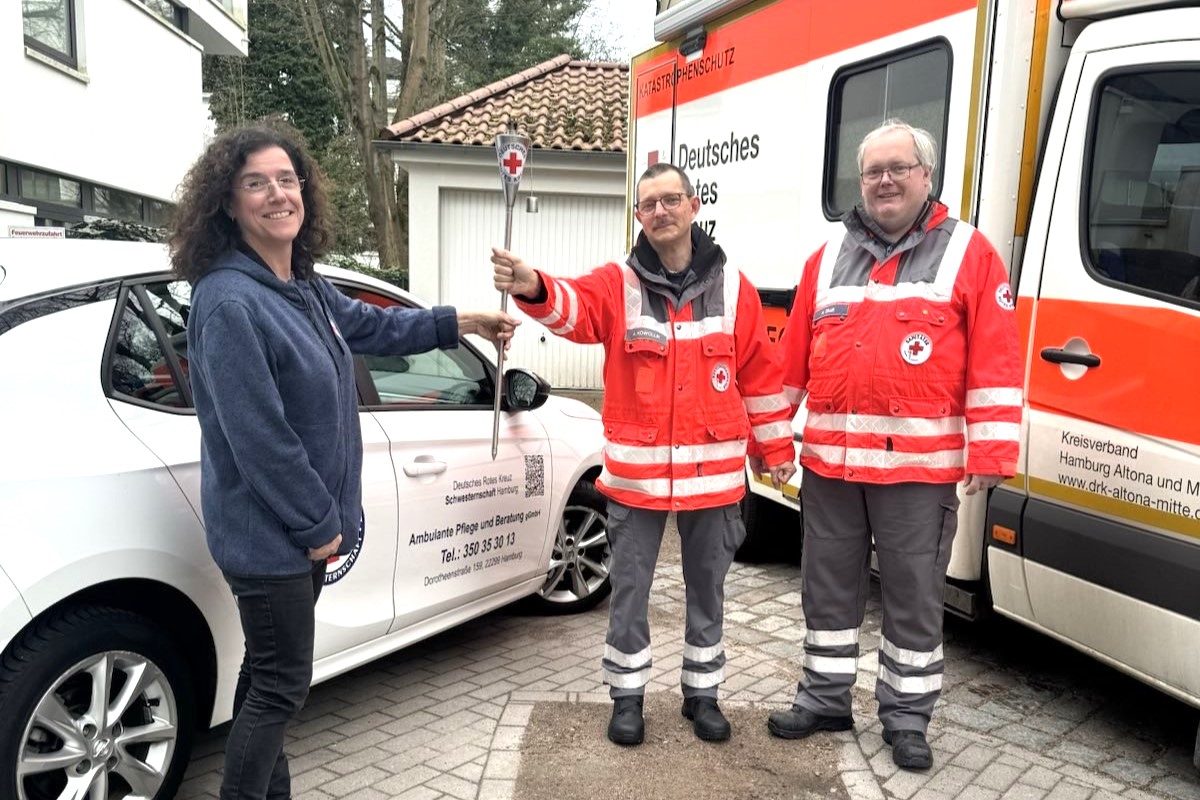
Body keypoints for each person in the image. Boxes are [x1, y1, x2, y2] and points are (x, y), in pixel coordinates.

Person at [169, 123, 518, 800]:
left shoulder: (299, 284)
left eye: (287, 179)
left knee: (266, 677)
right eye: (256, 183)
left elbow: (373, 326)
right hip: (271, 539)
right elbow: (260, 439)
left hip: (293, 537)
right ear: (228, 203)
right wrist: (317, 526)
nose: (278, 194)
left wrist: (463, 322)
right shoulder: (230, 301)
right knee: (280, 687)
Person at [491, 163, 796, 746]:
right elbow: (573, 309)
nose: (660, 211)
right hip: (636, 483)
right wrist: (533, 284)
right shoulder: (619, 283)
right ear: (638, 216)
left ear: (693, 205)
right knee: (630, 592)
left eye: (670, 199)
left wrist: (776, 448)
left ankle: (702, 695)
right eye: (649, 204)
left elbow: (760, 377)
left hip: (713, 483)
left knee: (708, 592)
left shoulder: (735, 288)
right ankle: (627, 696)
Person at [766, 119, 1021, 770]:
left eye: (898, 168)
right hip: (831, 469)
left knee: (912, 598)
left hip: (917, 474)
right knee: (826, 590)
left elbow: (995, 359)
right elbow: (791, 362)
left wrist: (992, 453)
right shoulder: (826, 255)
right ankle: (824, 699)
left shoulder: (969, 252)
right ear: (861, 181)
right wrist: (769, 440)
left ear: (925, 176)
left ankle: (906, 720)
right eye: (873, 171)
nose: (884, 181)